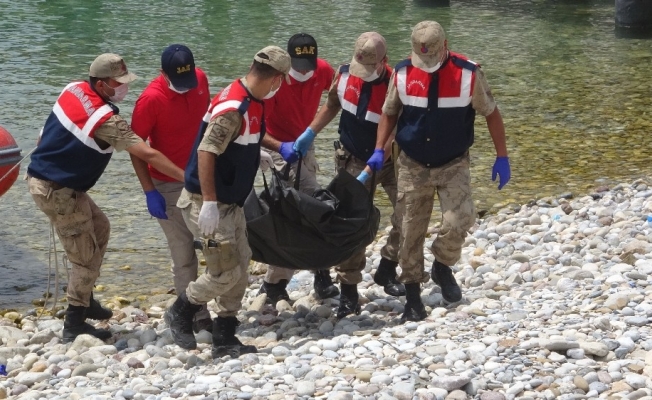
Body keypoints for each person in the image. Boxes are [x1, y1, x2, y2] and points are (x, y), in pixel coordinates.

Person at [26, 53, 186, 343]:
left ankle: (85, 298)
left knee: (100, 228)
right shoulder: (106, 121)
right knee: (84, 260)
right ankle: (74, 323)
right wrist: (187, 178)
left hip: (53, 182)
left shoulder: (73, 88)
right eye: (118, 82)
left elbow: (45, 131)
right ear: (100, 84)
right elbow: (147, 153)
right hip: (58, 191)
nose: (124, 87)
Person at [371, 21, 511, 322]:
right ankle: (413, 298)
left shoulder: (468, 74)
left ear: (445, 46)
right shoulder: (402, 73)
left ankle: (442, 265)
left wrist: (502, 156)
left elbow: (491, 113)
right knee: (409, 231)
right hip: (412, 163)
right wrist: (379, 149)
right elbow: (389, 112)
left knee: (461, 219)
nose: (427, 64)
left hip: (453, 162)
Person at [164, 46, 291, 358]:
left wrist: (259, 152)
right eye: (282, 81)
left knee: (241, 266)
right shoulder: (234, 107)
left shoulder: (252, 99)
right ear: (276, 79)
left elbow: (241, 137)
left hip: (232, 202)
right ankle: (181, 309)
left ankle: (225, 336)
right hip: (207, 203)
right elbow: (206, 151)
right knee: (225, 273)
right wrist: (209, 202)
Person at [298, 32, 406, 319]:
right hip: (353, 159)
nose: (363, 73)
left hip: (391, 160)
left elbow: (395, 128)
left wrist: (374, 164)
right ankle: (349, 292)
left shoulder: (397, 83)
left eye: (370, 68)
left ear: (384, 61)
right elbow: (332, 105)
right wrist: (310, 132)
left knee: (410, 215)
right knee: (350, 224)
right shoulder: (344, 74)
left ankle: (387, 266)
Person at [129, 44, 213, 333]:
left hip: (202, 176)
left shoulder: (200, 79)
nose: (185, 86)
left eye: (187, 79)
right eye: (178, 81)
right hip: (167, 183)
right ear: (162, 74)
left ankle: (221, 303)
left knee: (216, 243)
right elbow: (135, 148)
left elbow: (209, 124)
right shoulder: (150, 99)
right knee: (183, 252)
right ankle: (194, 313)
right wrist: (149, 190)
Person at [257, 33, 338, 304]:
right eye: (299, 66)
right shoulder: (274, 81)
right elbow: (255, 125)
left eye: (308, 66)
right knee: (301, 208)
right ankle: (299, 277)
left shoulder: (322, 70)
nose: (304, 72)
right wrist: (280, 147)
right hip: (276, 146)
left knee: (303, 210)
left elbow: (335, 99)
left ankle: (286, 281)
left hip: (305, 143)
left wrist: (312, 130)